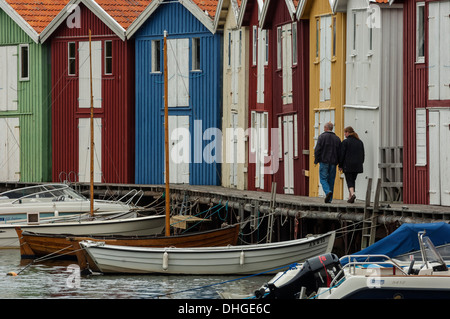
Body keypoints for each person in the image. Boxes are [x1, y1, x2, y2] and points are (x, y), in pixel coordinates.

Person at [314, 122, 341, 203]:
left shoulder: (322, 137)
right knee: (331, 180)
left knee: (323, 178)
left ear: (326, 128)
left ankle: (327, 191)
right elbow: (340, 152)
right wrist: (339, 163)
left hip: (324, 161)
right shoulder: (337, 139)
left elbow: (317, 150)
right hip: (333, 162)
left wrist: (316, 160)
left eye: (324, 127)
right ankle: (329, 199)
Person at [339, 126, 365, 203]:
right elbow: (363, 154)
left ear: (348, 133)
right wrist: (361, 162)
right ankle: (350, 197)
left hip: (348, 164)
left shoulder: (345, 142)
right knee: (353, 180)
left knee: (349, 180)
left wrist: (340, 165)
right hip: (357, 165)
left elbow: (342, 155)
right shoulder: (360, 142)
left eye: (345, 132)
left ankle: (353, 194)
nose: (344, 134)